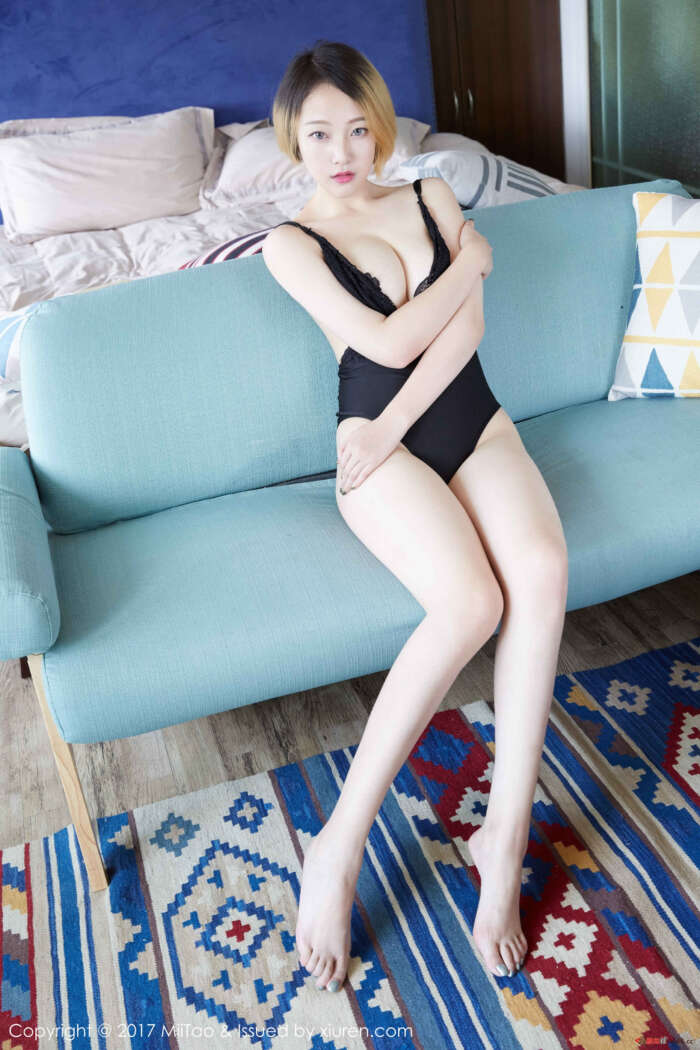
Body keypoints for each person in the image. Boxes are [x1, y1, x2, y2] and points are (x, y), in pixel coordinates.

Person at [262, 39, 568, 994]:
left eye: (359, 129)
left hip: (468, 421)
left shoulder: (431, 192)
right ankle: (338, 845)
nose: (342, 151)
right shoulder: (290, 244)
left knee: (543, 572)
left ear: (381, 126)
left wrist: (466, 271)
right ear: (293, 137)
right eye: (320, 133)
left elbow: (465, 330)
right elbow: (389, 341)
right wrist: (471, 262)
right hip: (375, 453)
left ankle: (502, 834)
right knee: (471, 603)